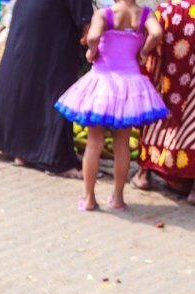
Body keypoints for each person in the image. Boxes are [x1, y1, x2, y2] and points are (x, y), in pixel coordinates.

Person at [56, 1, 167, 211]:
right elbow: (156, 33)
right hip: (130, 85)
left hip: (103, 83)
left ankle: (89, 199)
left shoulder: (104, 15)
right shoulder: (144, 14)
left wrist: (92, 51)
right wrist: (143, 52)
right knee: (122, 145)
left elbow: (93, 37)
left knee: (93, 143)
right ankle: (117, 197)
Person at [0, 0, 94, 177]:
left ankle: (21, 151)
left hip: (29, 13)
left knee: (26, 75)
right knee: (55, 80)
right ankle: (56, 159)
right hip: (51, 22)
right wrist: (89, 29)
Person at [131, 1, 195, 205]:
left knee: (157, 110)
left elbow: (151, 47)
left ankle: (144, 173)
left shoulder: (166, 9)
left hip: (166, 81)